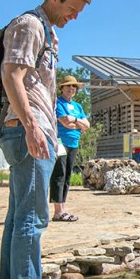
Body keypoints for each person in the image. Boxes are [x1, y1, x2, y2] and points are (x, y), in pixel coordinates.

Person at [0, 0, 90, 279]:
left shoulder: (48, 32)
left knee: (20, 213)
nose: (75, 16)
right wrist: (31, 126)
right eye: (72, 8)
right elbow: (12, 75)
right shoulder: (30, 25)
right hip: (28, 132)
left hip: (34, 129)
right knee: (33, 215)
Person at [50, 75, 89, 222]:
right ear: (62, 88)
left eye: (74, 87)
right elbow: (65, 122)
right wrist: (77, 123)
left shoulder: (78, 106)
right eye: (69, 86)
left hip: (74, 142)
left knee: (67, 176)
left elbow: (87, 125)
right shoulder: (58, 103)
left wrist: (75, 120)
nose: (72, 89)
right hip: (60, 141)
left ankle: (63, 208)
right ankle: (57, 211)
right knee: (59, 173)